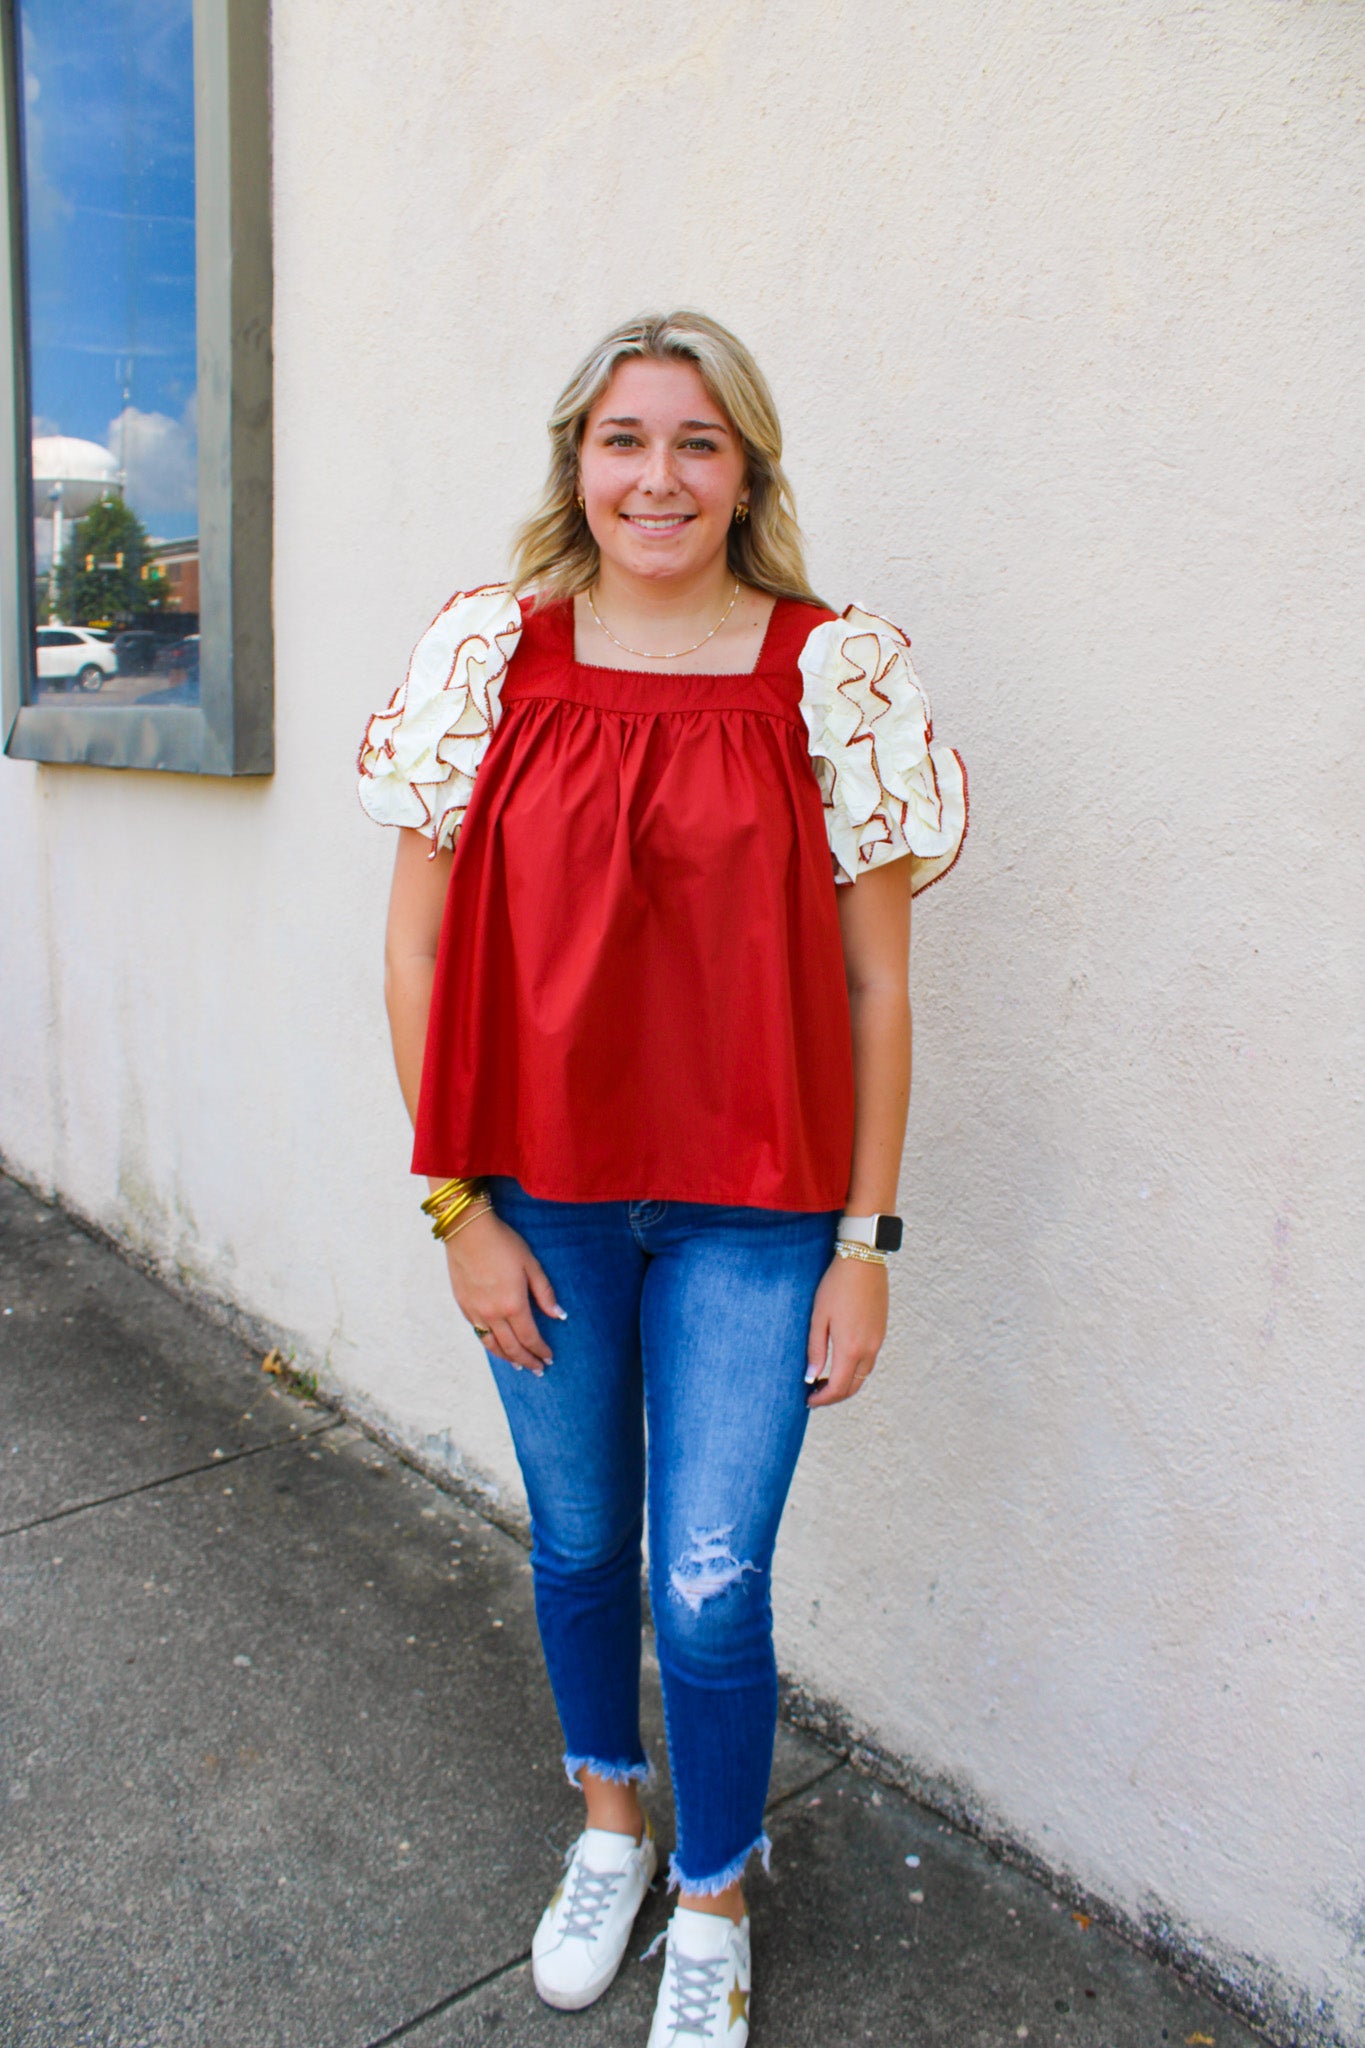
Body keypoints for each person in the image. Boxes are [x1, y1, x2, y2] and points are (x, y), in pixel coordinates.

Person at [359, 310, 966, 2048]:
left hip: (758, 1208)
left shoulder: (828, 675)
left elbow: (876, 987)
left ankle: (712, 1892)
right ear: (576, 461)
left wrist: (865, 1238)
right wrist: (456, 1207)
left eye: (698, 442)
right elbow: (413, 955)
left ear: (747, 471)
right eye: (626, 438)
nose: (658, 475)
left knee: (705, 1578)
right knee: (573, 1538)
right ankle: (608, 1824)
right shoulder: (495, 653)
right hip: (537, 1201)